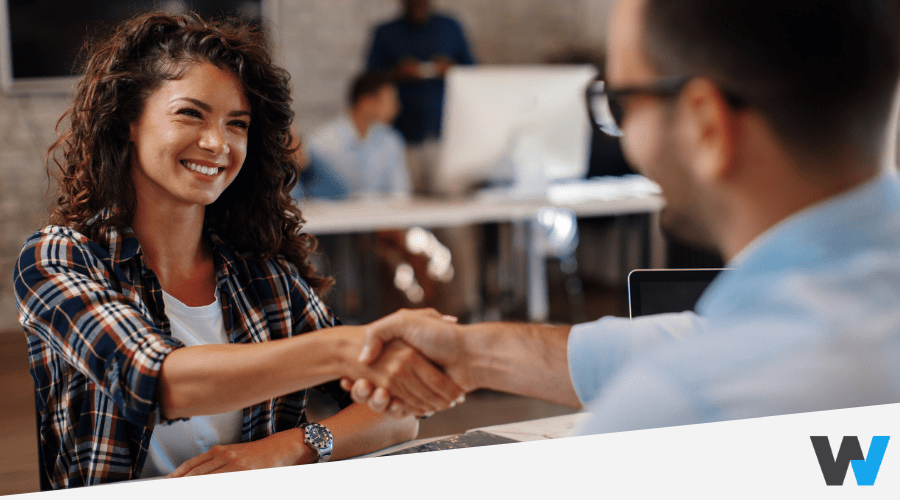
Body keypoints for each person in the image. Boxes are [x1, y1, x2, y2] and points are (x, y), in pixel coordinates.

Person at [344, 0, 900, 435]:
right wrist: (470, 356)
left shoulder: (680, 407)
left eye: (622, 104)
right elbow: (702, 338)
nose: (624, 135)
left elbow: (705, 362)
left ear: (706, 126)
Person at [13, 12, 462, 489]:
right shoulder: (58, 258)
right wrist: (344, 349)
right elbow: (156, 381)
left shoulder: (265, 277)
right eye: (191, 113)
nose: (217, 143)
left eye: (237, 124)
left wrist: (285, 448)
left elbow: (396, 415)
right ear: (129, 120)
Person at [365, 0, 475, 194]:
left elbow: (474, 72)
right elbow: (368, 79)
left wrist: (452, 69)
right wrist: (396, 73)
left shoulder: (450, 27)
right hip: (402, 137)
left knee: (450, 207)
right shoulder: (386, 32)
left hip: (445, 135)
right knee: (407, 204)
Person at [304, 71, 410, 199]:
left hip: (382, 216)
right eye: (390, 100)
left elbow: (400, 194)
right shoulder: (321, 142)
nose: (396, 107)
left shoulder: (391, 141)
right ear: (365, 102)